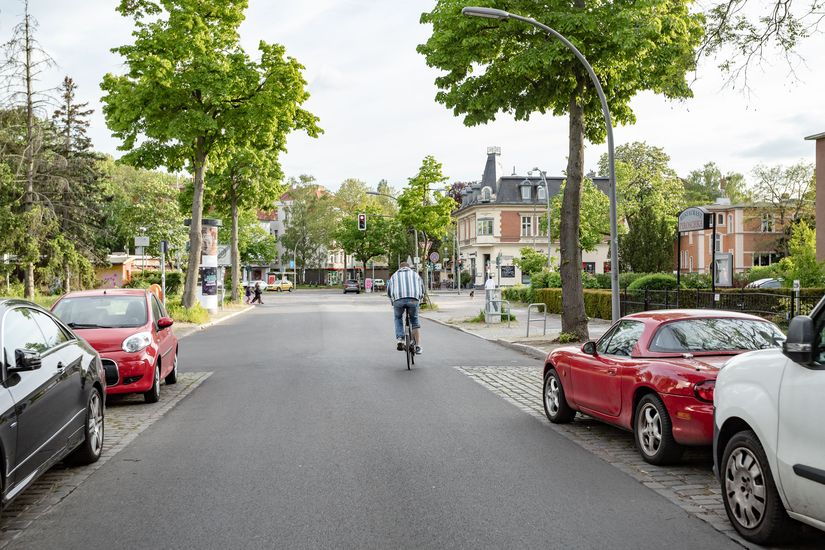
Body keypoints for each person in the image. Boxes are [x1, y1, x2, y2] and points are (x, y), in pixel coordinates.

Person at [386, 261, 424, 355]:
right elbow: (422, 289)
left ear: (400, 268)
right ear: (409, 267)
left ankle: (400, 340)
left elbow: (389, 292)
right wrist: (420, 300)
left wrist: (393, 301)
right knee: (414, 321)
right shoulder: (415, 275)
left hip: (398, 300)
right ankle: (418, 347)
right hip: (413, 299)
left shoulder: (394, 276)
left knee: (398, 318)